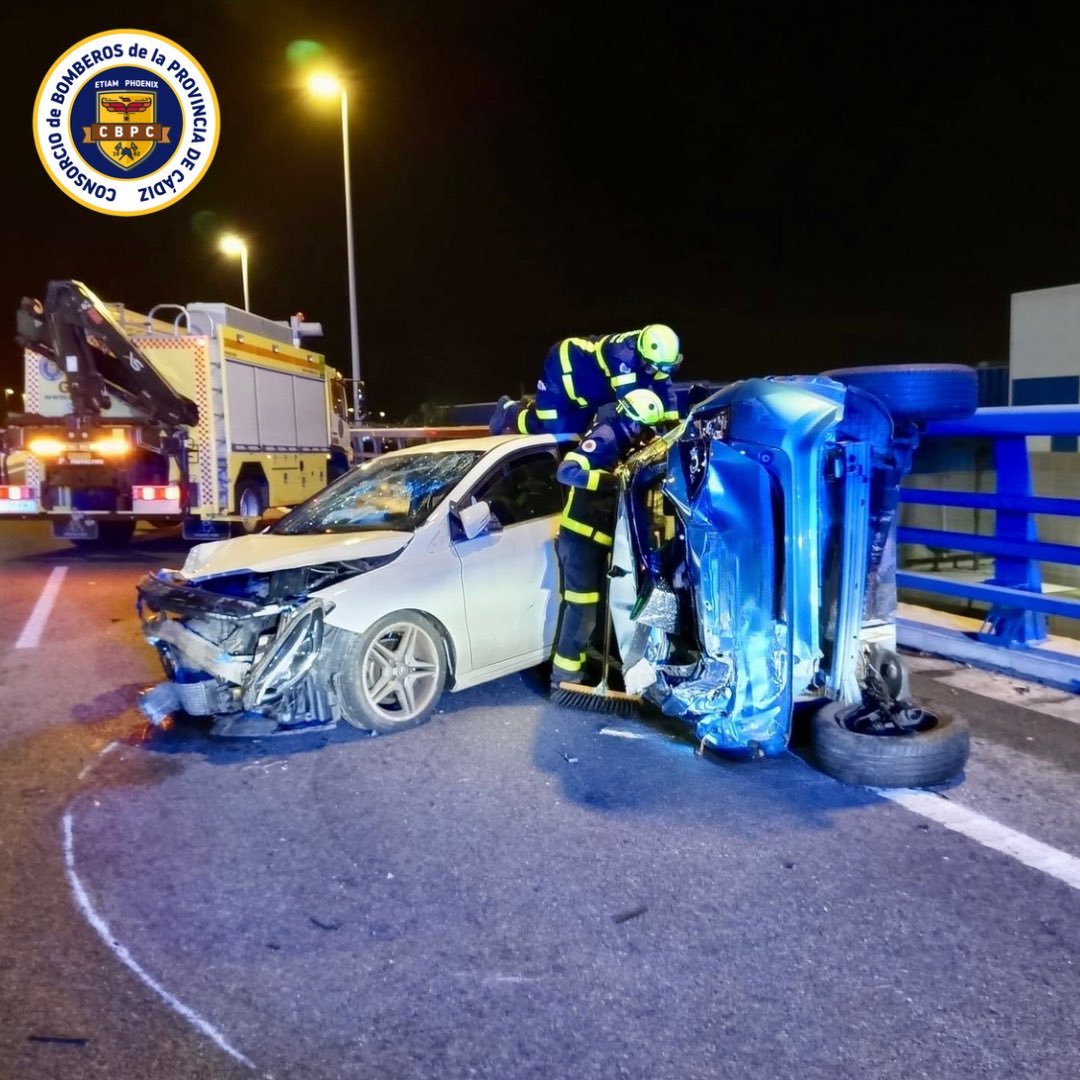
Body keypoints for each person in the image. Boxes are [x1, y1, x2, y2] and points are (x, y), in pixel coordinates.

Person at [550, 387, 666, 692]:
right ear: (634, 422)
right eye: (645, 428)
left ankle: (585, 666)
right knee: (582, 609)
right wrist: (610, 481)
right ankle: (564, 677)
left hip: (596, 541)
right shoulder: (606, 437)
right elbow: (567, 472)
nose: (647, 434)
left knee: (599, 609)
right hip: (580, 540)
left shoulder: (625, 442)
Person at [489, 324, 682, 437]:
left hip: (589, 388)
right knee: (553, 429)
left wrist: (671, 422)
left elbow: (664, 386)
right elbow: (630, 403)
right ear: (643, 355)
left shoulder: (652, 355)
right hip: (564, 368)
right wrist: (649, 432)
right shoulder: (623, 357)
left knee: (576, 430)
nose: (660, 372)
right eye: (657, 367)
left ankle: (535, 405)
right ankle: (510, 412)